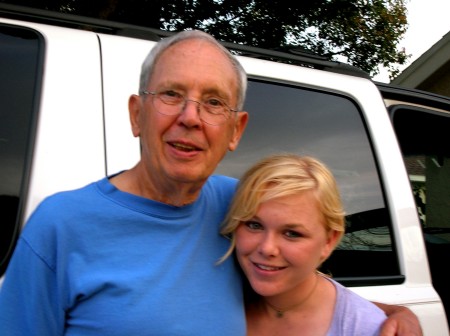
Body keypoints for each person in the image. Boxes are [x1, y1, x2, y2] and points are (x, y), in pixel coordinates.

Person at [0, 30, 421, 335]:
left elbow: (304, 288)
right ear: (136, 115)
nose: (190, 116)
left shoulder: (241, 209)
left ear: (236, 130)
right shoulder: (60, 225)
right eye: (170, 94)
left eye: (213, 102)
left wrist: (392, 314)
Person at [220, 154, 388, 335]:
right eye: (254, 225)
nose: (267, 248)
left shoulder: (366, 328)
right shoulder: (217, 296)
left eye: (292, 234)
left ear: (329, 241)